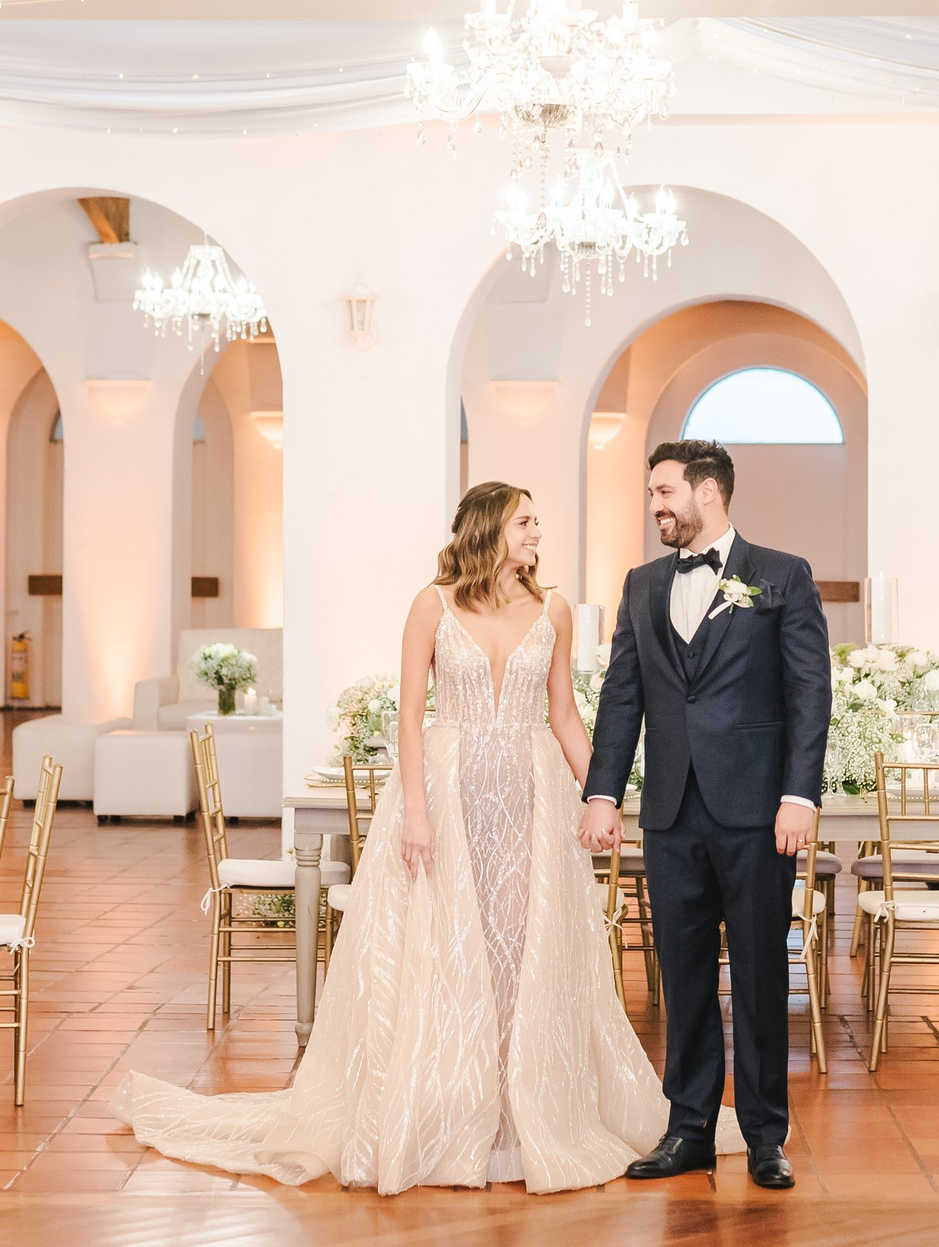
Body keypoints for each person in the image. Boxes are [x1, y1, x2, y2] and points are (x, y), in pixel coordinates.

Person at [114, 482, 737, 1192]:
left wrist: (603, 796)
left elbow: (563, 713)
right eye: (527, 521)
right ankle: (451, 1108)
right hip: (447, 793)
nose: (538, 532)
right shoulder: (431, 604)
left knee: (522, 950)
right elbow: (409, 717)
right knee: (450, 951)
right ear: (490, 529)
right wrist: (416, 811)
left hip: (531, 799)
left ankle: (520, 1112)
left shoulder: (554, 609)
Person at [579, 439, 832, 1190]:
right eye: (651, 493)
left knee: (759, 974)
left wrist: (800, 794)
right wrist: (602, 790)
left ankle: (763, 1136)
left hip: (758, 812)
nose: (654, 505)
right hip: (670, 813)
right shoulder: (642, 582)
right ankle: (688, 1125)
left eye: (664, 491)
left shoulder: (782, 576)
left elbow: (808, 693)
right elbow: (624, 693)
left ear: (707, 492)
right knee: (681, 974)